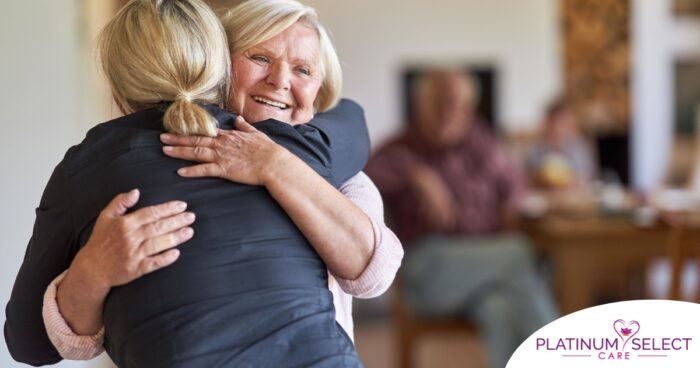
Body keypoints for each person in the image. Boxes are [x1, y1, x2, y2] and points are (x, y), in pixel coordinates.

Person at [5, 0, 402, 366]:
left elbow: (374, 276)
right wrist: (92, 271)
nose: (281, 80)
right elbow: (353, 119)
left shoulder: (323, 161)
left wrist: (275, 165)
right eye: (260, 57)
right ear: (219, 67)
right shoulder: (318, 148)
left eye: (303, 69)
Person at [366, 69, 557, 368]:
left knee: (499, 308)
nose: (449, 112)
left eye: (457, 104)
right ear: (420, 105)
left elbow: (517, 188)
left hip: (485, 273)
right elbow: (362, 180)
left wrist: (510, 204)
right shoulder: (399, 148)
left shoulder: (482, 143)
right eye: (439, 102)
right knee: (519, 252)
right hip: (428, 272)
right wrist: (416, 175)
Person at [526, 99, 596, 191]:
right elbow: (528, 179)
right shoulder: (535, 150)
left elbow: (586, 178)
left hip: (573, 198)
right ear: (547, 124)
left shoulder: (579, 149)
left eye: (562, 123)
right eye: (554, 123)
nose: (558, 129)